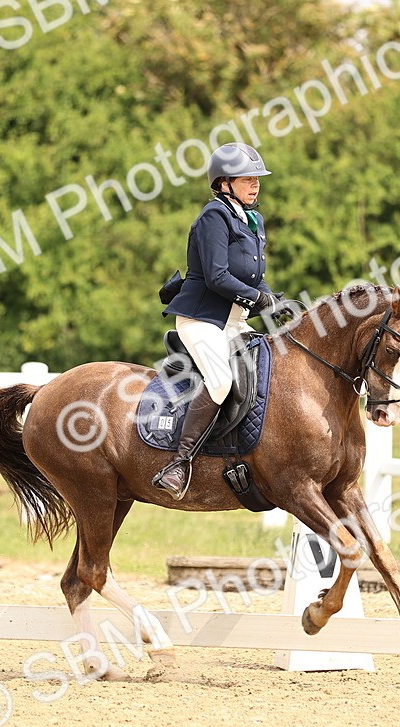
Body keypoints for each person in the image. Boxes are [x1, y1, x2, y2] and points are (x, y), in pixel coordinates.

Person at [151, 142, 281, 500]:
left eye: (257, 179)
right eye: (246, 179)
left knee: (272, 369)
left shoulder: (253, 220)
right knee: (222, 381)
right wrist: (258, 299)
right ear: (224, 183)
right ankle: (179, 464)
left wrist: (274, 300)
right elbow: (217, 277)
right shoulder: (214, 217)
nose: (255, 185)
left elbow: (253, 277)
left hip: (234, 322)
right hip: (202, 320)